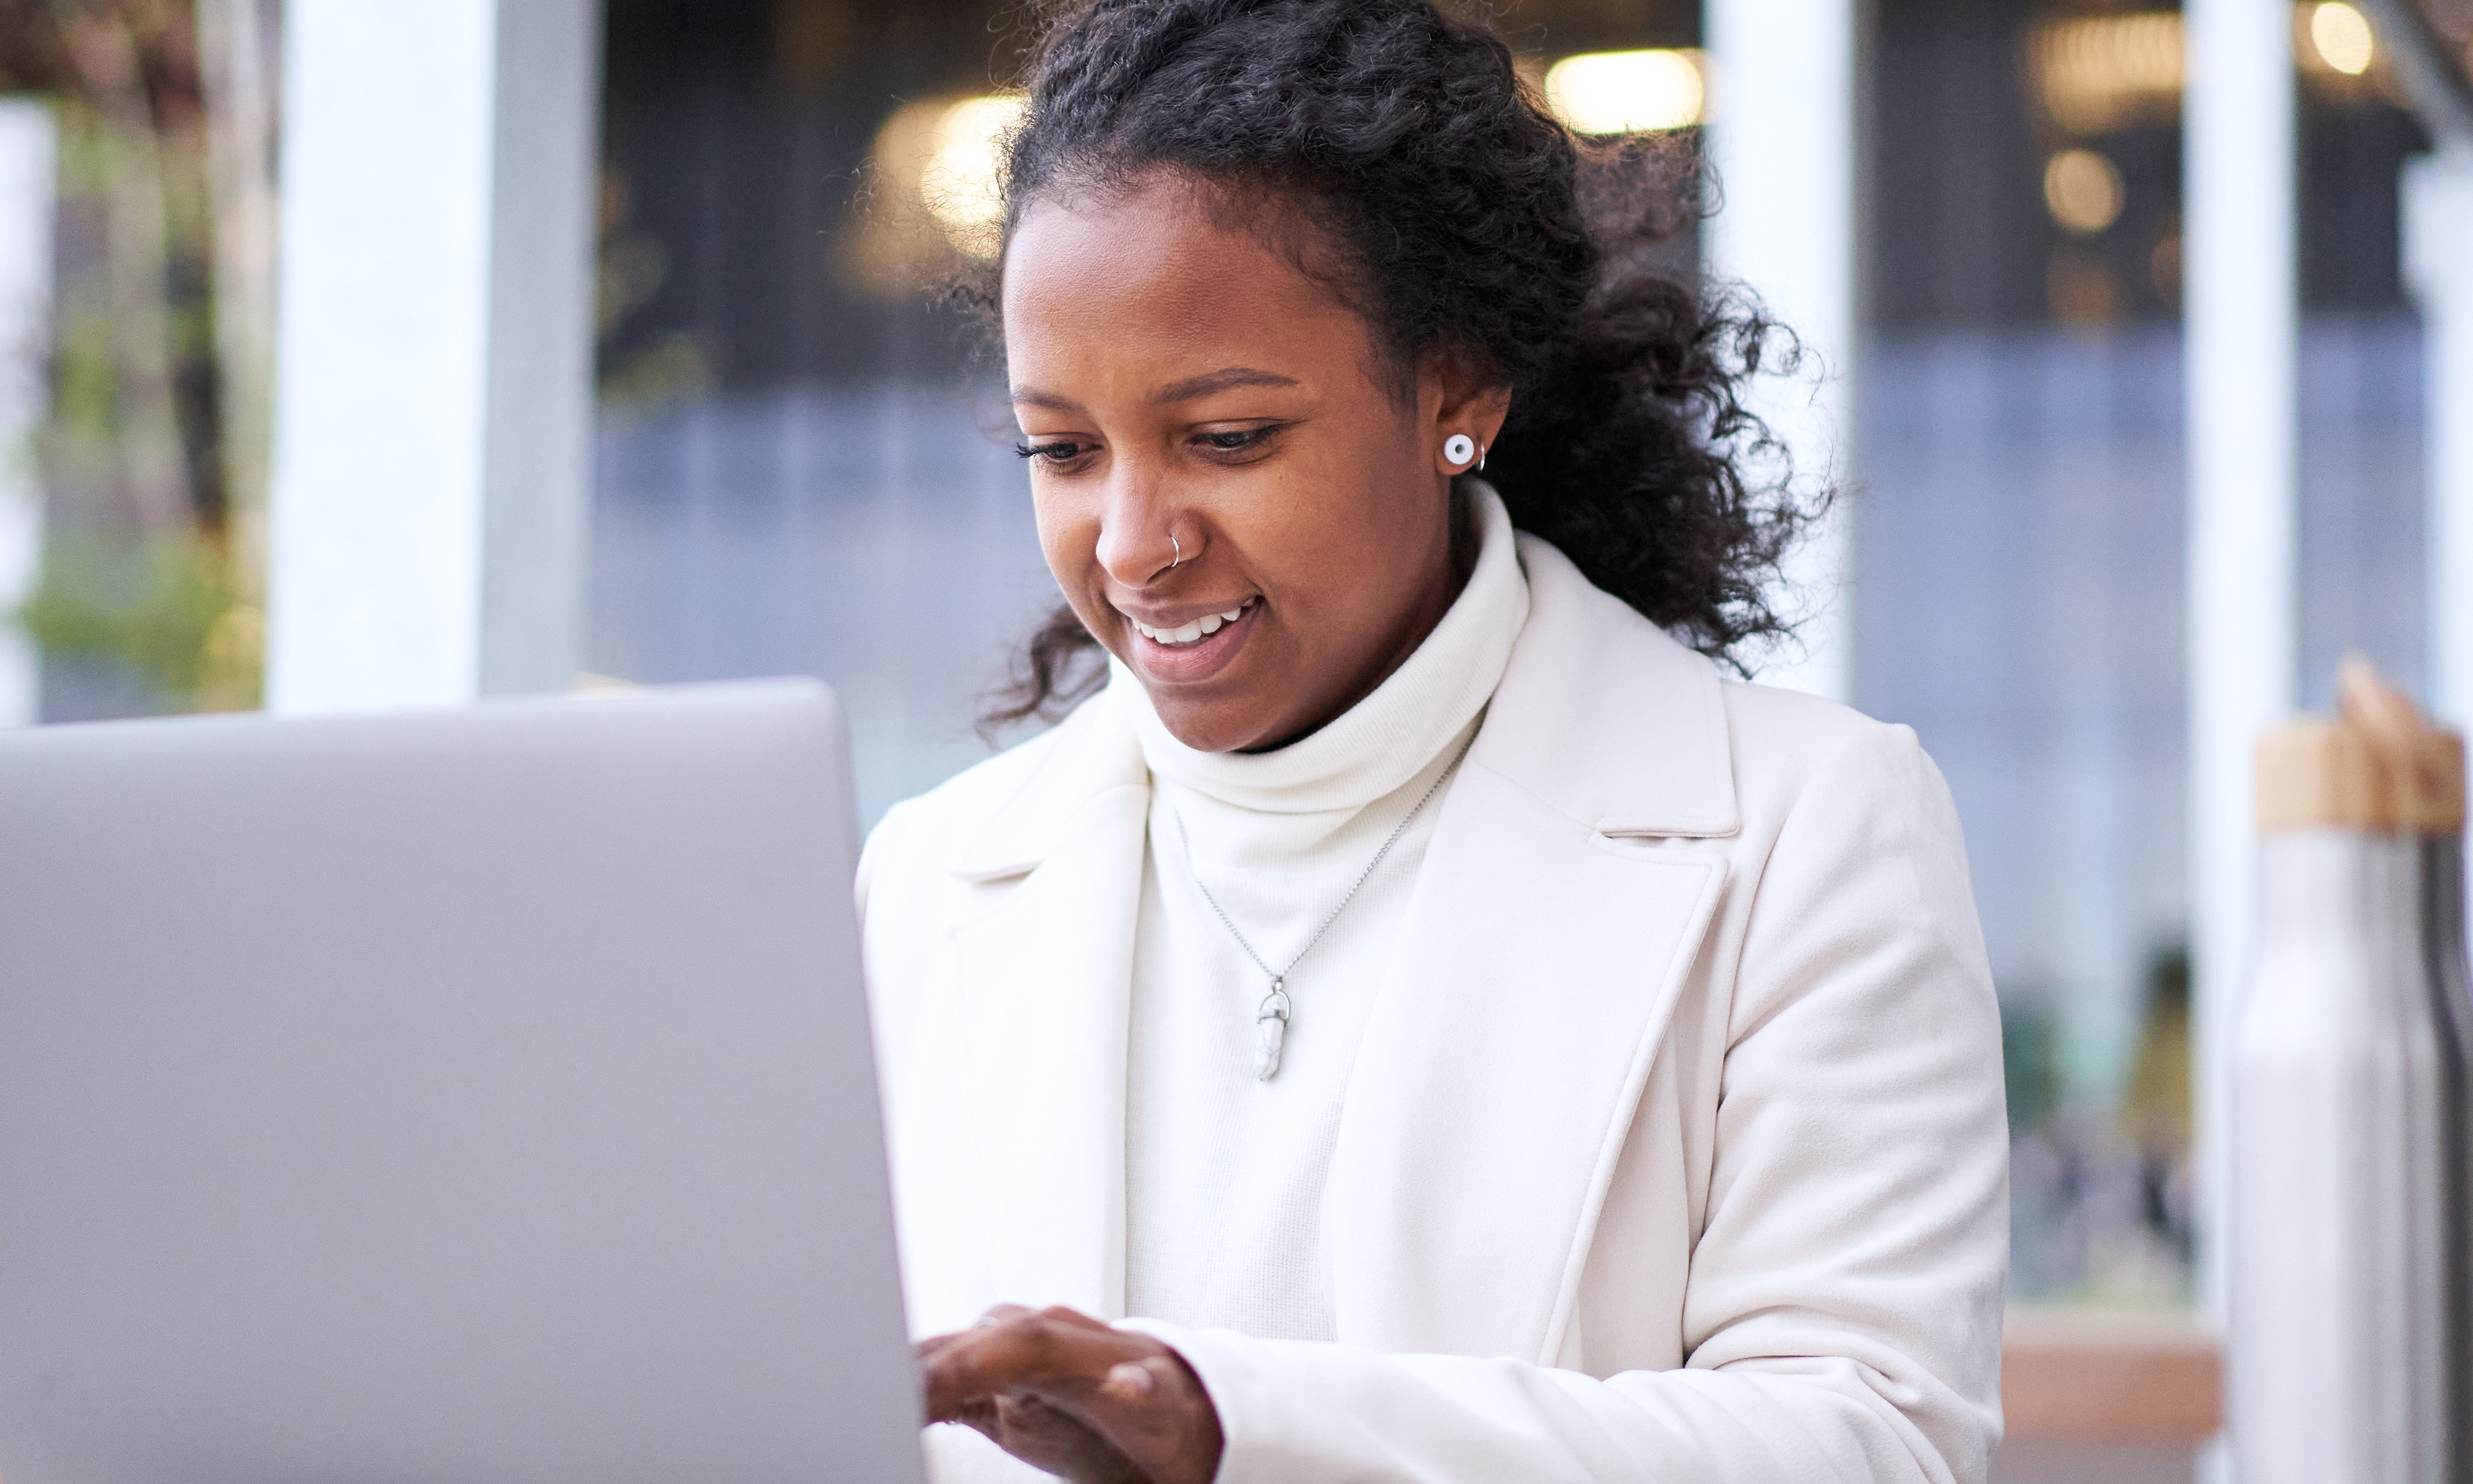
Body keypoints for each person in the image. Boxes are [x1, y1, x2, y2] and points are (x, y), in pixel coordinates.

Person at [858, 2, 2009, 1480]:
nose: (1135, 545)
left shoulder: (1811, 832)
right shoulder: (930, 880)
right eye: (1063, 450)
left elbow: (1873, 1445)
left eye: (1227, 437)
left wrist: (1240, 1428)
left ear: (1457, 391)